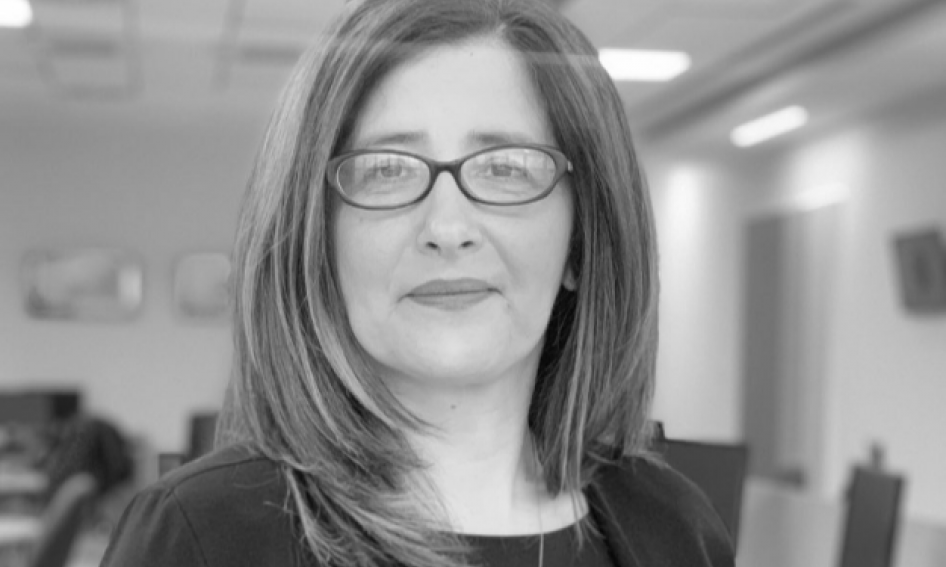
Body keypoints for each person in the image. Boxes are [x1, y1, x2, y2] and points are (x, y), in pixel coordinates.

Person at [101, 0, 734, 565]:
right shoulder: (201, 536)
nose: (448, 228)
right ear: (317, 241)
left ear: (581, 242)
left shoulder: (677, 530)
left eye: (506, 168)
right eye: (386, 170)